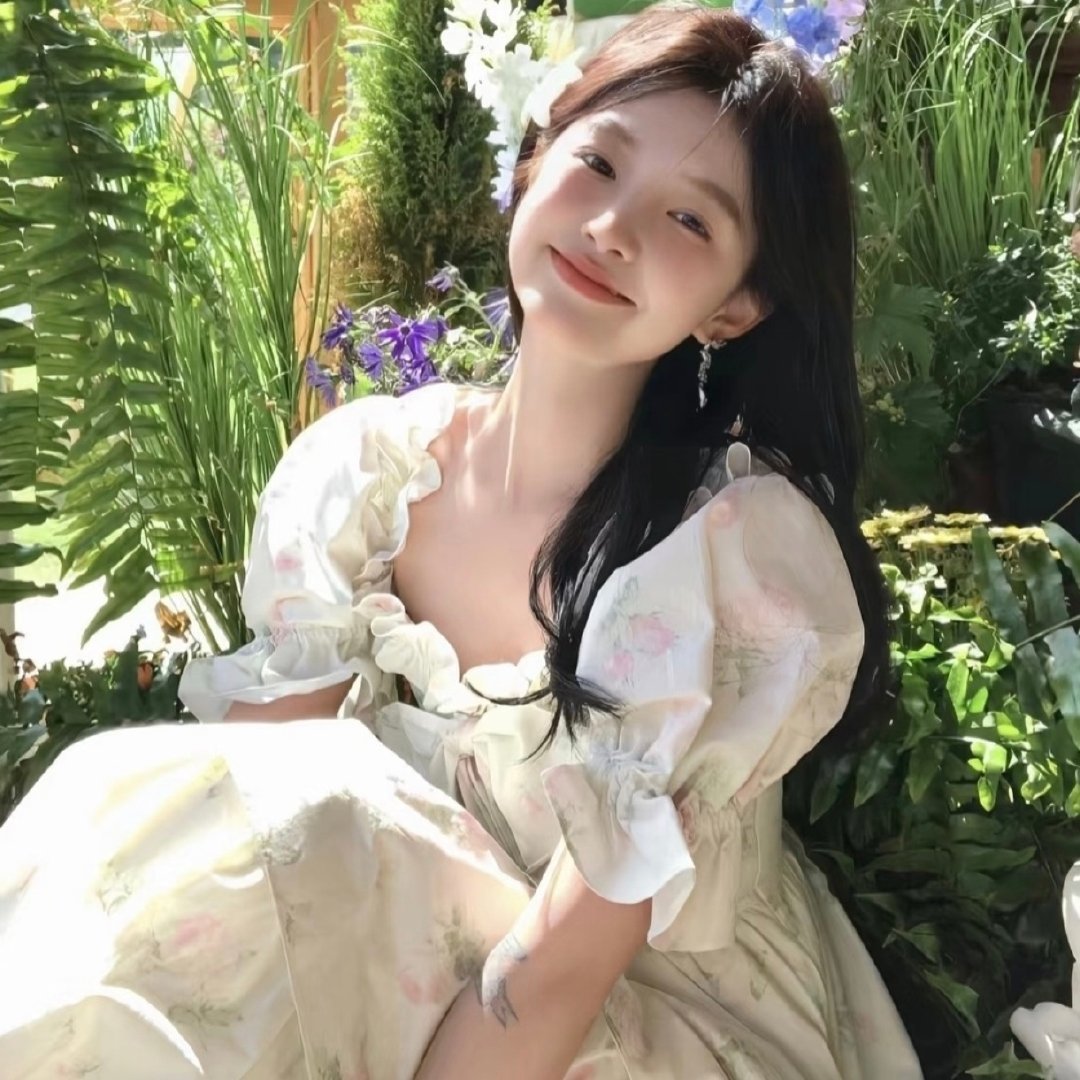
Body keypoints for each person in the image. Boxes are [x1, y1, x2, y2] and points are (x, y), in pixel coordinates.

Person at [0, 4, 924, 1077]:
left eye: (689, 220)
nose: (613, 226)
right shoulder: (370, 480)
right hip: (405, 961)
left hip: (639, 1010)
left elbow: (560, 974)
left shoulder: (720, 559)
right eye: (598, 163)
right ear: (533, 164)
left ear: (737, 306)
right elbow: (239, 808)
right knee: (148, 808)